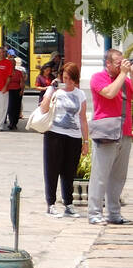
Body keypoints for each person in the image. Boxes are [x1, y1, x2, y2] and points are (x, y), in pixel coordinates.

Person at [87, 49, 133, 226]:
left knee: (119, 176)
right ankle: (94, 213)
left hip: (124, 131)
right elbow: (109, 93)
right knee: (100, 174)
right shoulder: (98, 77)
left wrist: (130, 73)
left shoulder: (125, 80)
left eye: (122, 62)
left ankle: (114, 213)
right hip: (106, 132)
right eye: (117, 63)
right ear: (107, 64)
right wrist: (123, 74)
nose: (121, 65)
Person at [39, 62, 88, 217]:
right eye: (65, 78)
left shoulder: (80, 94)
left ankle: (68, 203)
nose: (67, 82)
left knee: (69, 171)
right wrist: (51, 89)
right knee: (52, 169)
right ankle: (51, 204)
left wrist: (85, 141)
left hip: (73, 136)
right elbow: (43, 108)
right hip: (55, 133)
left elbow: (83, 119)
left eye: (70, 79)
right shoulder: (56, 91)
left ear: (76, 79)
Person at [6, 56, 26, 130]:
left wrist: (22, 90)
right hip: (9, 91)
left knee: (17, 107)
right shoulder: (6, 72)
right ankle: (11, 122)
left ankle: (15, 123)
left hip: (17, 90)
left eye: (13, 63)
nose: (12, 64)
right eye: (11, 63)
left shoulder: (19, 72)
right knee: (11, 107)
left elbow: (22, 82)